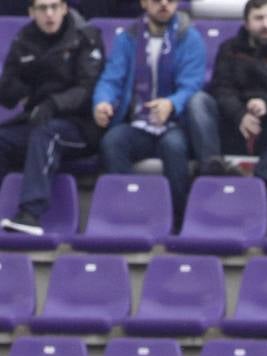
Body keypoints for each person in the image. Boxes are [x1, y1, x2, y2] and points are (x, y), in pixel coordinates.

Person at [92, 0, 205, 232]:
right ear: (144, 3)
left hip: (176, 124)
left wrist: (171, 104)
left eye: (170, 0)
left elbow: (193, 85)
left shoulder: (189, 37)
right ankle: (131, 215)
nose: (164, 4)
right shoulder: (128, 38)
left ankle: (177, 223)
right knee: (113, 142)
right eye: (156, 0)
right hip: (139, 123)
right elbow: (111, 78)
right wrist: (102, 102)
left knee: (174, 148)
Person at [184, 0, 267, 190]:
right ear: (246, 22)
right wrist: (240, 115)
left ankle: (260, 180)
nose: (266, 24)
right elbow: (220, 89)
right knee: (198, 101)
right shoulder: (229, 49)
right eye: (259, 18)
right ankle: (211, 169)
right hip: (232, 127)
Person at [0, 0, 104, 236]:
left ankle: (30, 214)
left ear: (64, 8)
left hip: (82, 126)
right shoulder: (24, 39)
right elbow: (8, 89)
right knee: (2, 139)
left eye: (54, 6)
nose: (49, 14)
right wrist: (14, 90)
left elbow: (86, 89)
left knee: (48, 133)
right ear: (31, 12)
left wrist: (53, 104)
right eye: (42, 8)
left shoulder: (85, 36)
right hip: (39, 121)